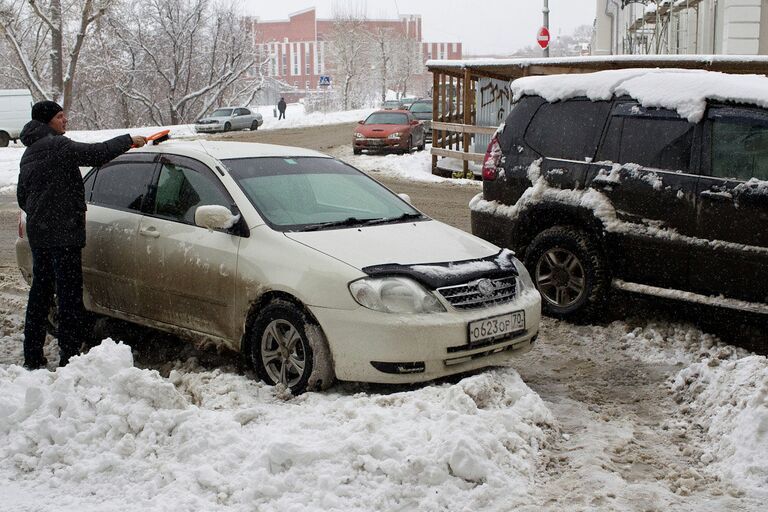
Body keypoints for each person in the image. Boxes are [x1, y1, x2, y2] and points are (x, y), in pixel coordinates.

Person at [17, 101, 146, 369]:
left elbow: (22, 197)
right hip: (63, 234)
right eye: (60, 116)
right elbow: (95, 154)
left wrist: (43, 212)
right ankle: (70, 357)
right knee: (69, 296)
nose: (65, 120)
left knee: (40, 293)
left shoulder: (29, 152)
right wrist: (128, 140)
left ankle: (32, 356)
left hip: (40, 234)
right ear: (47, 121)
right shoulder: (57, 146)